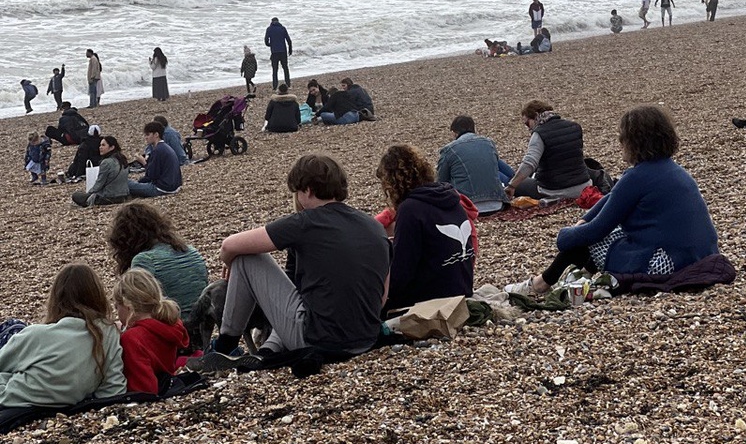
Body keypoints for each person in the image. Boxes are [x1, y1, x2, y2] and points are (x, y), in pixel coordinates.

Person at [195, 153, 390, 370]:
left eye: (297, 191)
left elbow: (229, 246)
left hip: (319, 340)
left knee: (246, 258)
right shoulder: (374, 227)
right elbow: (381, 297)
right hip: (367, 336)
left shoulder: (305, 222)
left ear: (307, 190)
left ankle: (225, 346)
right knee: (308, 299)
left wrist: (230, 263)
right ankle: (269, 348)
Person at [506, 107, 719, 297]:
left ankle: (542, 283)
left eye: (622, 138)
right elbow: (613, 197)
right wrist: (584, 218)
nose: (619, 142)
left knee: (592, 238)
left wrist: (566, 234)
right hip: (700, 254)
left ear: (633, 142)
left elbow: (595, 231)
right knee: (605, 230)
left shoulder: (638, 177)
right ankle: (579, 275)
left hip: (668, 263)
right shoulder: (671, 169)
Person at [0, 263, 126, 407]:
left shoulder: (37, 335)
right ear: (97, 296)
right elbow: (114, 388)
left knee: (12, 326)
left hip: (10, 399)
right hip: (66, 402)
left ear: (56, 298)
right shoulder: (108, 334)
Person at [377, 144, 475, 312]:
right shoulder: (451, 199)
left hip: (432, 300)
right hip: (462, 290)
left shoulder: (411, 209)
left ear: (393, 183)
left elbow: (401, 274)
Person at [108, 201, 208, 317]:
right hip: (201, 328)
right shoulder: (191, 251)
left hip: (171, 326)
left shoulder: (145, 260)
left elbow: (137, 311)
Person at [113, 268, 189, 396]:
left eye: (117, 307)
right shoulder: (169, 324)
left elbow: (143, 388)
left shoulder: (132, 338)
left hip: (149, 393)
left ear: (128, 307)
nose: (116, 311)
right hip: (167, 382)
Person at [505, 101, 591, 200]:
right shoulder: (575, 126)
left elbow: (529, 163)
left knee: (516, 182)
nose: (528, 128)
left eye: (527, 124)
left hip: (554, 190)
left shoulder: (539, 134)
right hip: (584, 186)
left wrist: (512, 186)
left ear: (536, 116)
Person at [436, 116, 512, 214]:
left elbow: (441, 181)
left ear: (454, 132)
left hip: (468, 206)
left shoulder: (449, 149)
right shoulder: (489, 143)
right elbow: (507, 171)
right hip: (497, 203)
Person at [72, 136, 131, 207]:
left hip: (110, 197)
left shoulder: (106, 162)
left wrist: (88, 193)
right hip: (124, 195)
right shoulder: (123, 159)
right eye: (100, 145)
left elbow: (99, 184)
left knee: (76, 195)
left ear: (112, 147)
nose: (100, 147)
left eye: (103, 145)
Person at [127, 122, 183, 198]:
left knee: (127, 183)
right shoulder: (165, 148)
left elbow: (152, 175)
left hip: (163, 188)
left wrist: (143, 162)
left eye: (148, 135)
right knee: (136, 184)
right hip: (174, 185)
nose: (146, 137)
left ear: (156, 134)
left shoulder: (158, 150)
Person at [264, 17, 293, 90]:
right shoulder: (282, 28)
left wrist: (270, 44)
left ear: (271, 22)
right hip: (283, 51)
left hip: (274, 52)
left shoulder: (269, 29)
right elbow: (289, 40)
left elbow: (266, 41)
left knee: (275, 69)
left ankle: (275, 86)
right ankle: (288, 84)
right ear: (278, 21)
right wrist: (290, 49)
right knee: (285, 68)